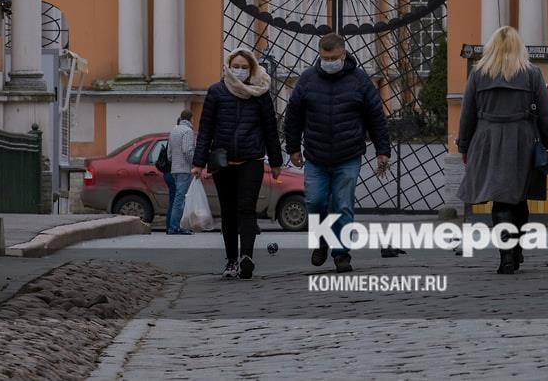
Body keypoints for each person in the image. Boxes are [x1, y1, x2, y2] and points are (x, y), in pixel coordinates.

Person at [457, 26, 548, 274]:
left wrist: (464, 146)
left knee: (500, 197)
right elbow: (546, 113)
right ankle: (517, 249)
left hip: (487, 139)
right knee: (519, 196)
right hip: (522, 139)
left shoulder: (479, 73)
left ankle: (506, 256)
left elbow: (467, 113)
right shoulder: (531, 73)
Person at [286, 33, 391, 274]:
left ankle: (341, 253)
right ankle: (322, 240)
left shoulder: (360, 80)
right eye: (325, 58)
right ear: (319, 55)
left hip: (348, 154)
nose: (329, 62)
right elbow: (293, 115)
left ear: (343, 55)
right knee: (315, 201)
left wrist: (382, 150)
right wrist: (292, 148)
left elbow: (376, 117)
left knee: (343, 205)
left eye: (333, 58)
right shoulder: (307, 79)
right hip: (316, 155)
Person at [192, 49, 283, 280]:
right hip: (223, 161)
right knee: (228, 211)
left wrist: (276, 162)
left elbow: (270, 129)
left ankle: (246, 258)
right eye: (236, 66)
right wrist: (198, 162)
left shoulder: (260, 93)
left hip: (251, 160)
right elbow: (206, 129)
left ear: (251, 69)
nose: (239, 70)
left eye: (244, 67)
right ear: (228, 67)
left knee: (247, 208)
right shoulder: (216, 92)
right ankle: (231, 260)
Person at [166, 110, 196, 235]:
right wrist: (195, 164)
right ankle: (175, 227)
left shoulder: (174, 131)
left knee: (178, 198)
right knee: (180, 198)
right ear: (190, 118)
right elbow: (188, 150)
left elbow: (169, 154)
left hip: (175, 169)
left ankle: (176, 226)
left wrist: (175, 163)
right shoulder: (188, 131)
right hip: (184, 169)